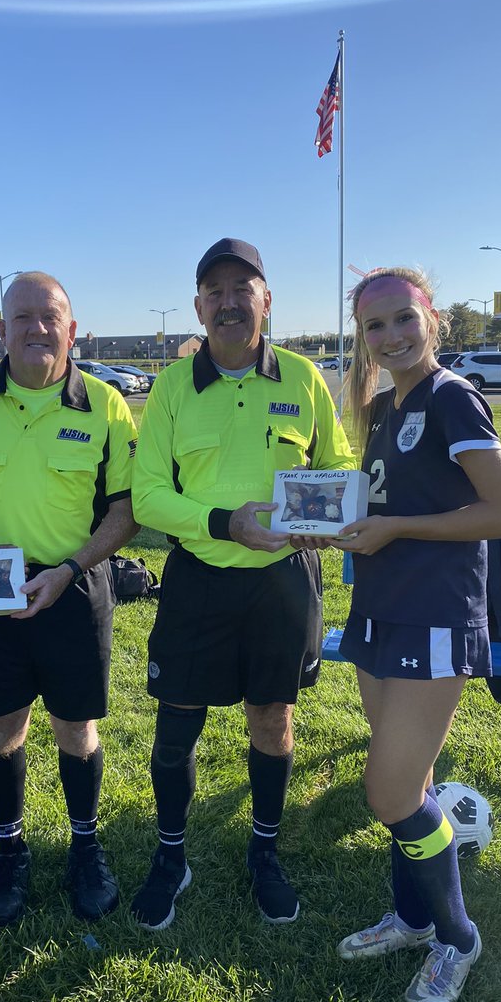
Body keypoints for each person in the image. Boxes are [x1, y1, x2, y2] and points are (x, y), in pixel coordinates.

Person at [129, 238, 356, 930]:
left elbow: (338, 459)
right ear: (199, 305)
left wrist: (330, 507)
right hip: (198, 579)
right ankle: (173, 856)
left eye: (242, 288)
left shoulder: (302, 377)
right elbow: (146, 498)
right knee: (176, 728)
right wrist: (226, 522)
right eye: (215, 291)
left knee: (273, 719)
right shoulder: (171, 387)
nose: (229, 301)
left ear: (266, 298)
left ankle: (265, 851)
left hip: (283, 583)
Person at [332, 268, 501, 1002]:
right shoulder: (384, 404)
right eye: (374, 327)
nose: (390, 337)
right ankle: (412, 919)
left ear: (432, 320)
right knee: (405, 785)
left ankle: (457, 935)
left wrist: (396, 528)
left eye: (402, 319)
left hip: (435, 617)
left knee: (388, 792)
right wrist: (332, 525)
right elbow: (380, 506)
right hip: (380, 610)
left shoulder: (451, 396)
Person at [0, 272, 138, 927]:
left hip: (72, 585)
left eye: (51, 318)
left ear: (73, 330)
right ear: (0, 327)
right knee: (2, 726)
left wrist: (70, 569)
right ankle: (10, 850)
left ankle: (84, 846)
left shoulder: (104, 404)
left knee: (76, 727)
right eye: (23, 317)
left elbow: (125, 513)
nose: (37, 329)